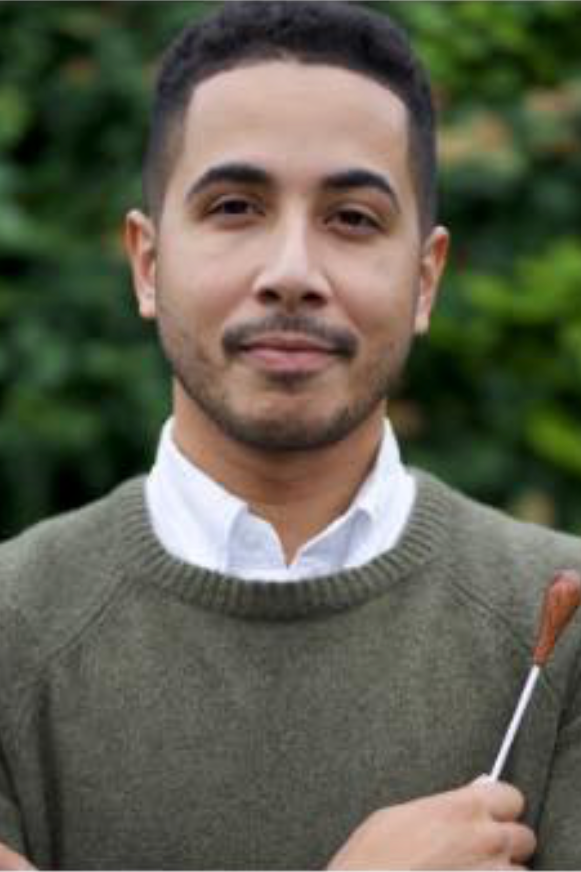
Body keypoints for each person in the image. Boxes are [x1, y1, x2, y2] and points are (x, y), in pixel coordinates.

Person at [0, 2, 579, 869]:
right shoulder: (13, 625)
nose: (292, 275)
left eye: (351, 218)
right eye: (235, 206)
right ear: (148, 265)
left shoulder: (562, 625)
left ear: (425, 280)